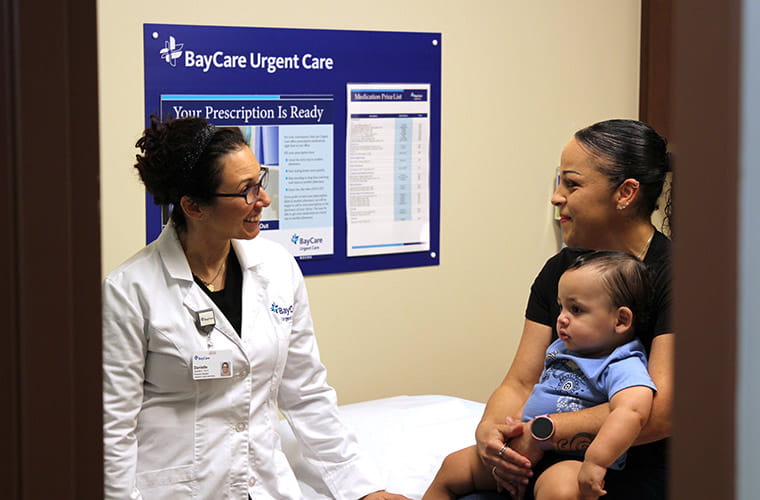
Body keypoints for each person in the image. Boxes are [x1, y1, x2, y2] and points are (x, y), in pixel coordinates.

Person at [102, 115, 410, 500]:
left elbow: (306, 392)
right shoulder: (130, 290)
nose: (263, 199)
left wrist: (364, 488)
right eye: (246, 190)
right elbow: (113, 429)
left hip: (263, 486)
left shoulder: (277, 268)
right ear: (194, 206)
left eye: (260, 181)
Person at [461, 119, 672, 500]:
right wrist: (491, 434)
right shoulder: (562, 270)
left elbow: (661, 414)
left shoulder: (682, 277)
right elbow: (520, 382)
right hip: (543, 450)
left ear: (625, 193)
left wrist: (541, 431)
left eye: (572, 184)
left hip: (631, 464)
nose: (556, 197)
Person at [423, 251, 657, 500]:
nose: (561, 318)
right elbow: (533, 387)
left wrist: (596, 461)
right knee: (453, 467)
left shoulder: (621, 362)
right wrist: (507, 427)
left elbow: (632, 411)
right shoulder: (562, 349)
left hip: (572, 459)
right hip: (524, 452)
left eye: (576, 309)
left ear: (621, 320)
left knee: (561, 492)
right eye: (561, 307)